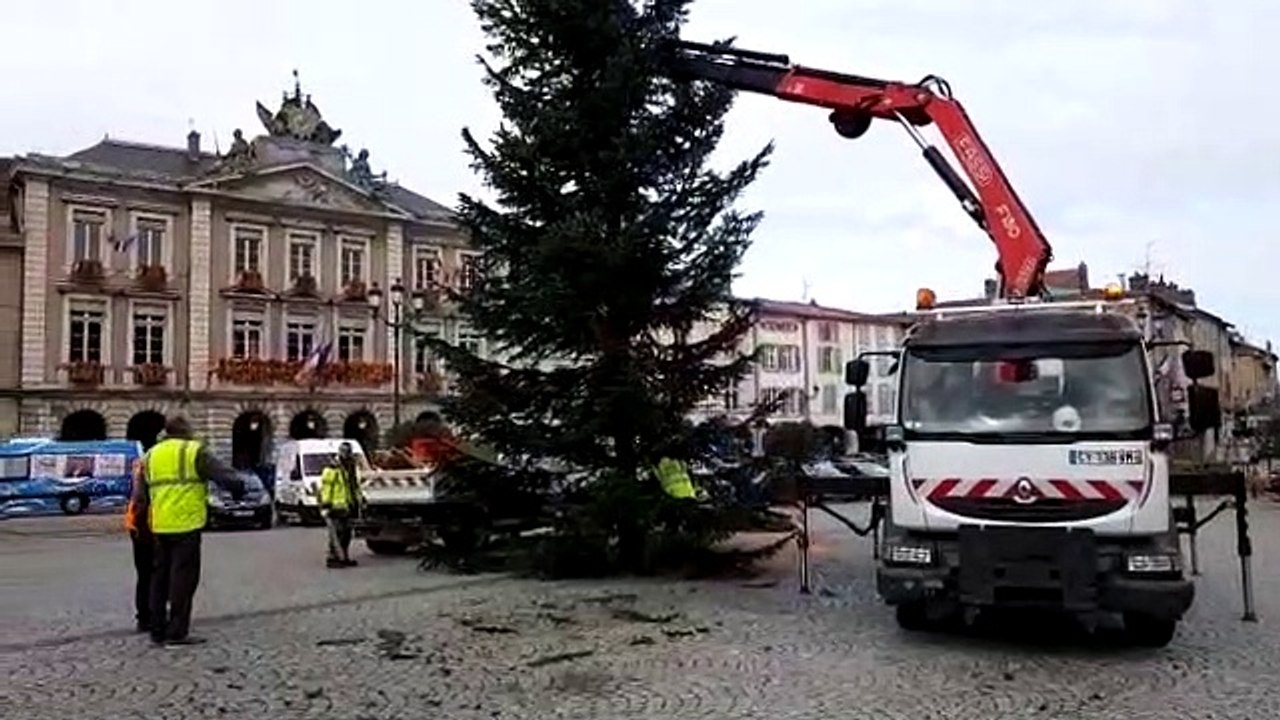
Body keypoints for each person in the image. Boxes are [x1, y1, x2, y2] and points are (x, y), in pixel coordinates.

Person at [131, 416, 243, 647]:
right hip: (186, 523)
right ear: (186, 431)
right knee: (183, 579)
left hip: (159, 524)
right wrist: (238, 488)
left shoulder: (150, 455)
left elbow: (140, 496)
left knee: (159, 578)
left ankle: (157, 630)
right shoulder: (194, 451)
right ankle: (177, 632)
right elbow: (224, 476)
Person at [319, 442, 362, 568]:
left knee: (347, 534)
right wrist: (326, 505)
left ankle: (343, 556)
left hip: (348, 505)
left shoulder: (350, 466)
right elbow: (327, 487)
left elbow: (353, 485)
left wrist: (359, 499)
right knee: (337, 533)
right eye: (344, 452)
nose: (346, 455)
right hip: (336, 506)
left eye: (348, 452)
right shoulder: (332, 468)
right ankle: (332, 558)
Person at [123, 458, 153, 634]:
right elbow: (141, 499)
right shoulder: (147, 467)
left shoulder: (139, 466)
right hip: (146, 527)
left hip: (136, 527)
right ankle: (150, 617)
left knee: (144, 576)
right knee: (153, 574)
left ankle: (143, 618)